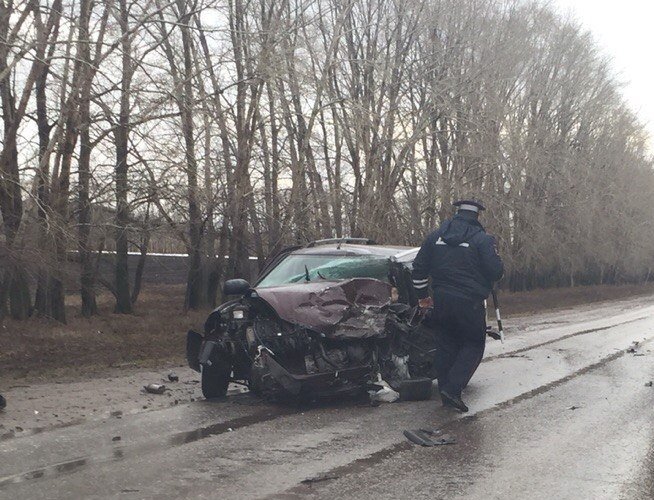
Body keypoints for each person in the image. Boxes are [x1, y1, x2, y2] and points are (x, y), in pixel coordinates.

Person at [412, 199, 504, 412]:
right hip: (469, 302)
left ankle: (446, 394)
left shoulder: (435, 237)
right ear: (476, 217)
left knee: (446, 345)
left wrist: (423, 297)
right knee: (473, 344)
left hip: (441, 300)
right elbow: (496, 272)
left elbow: (418, 269)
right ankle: (452, 390)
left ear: (456, 214)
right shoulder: (483, 240)